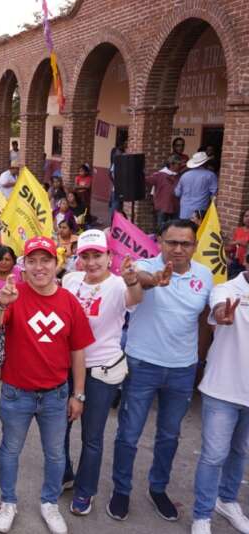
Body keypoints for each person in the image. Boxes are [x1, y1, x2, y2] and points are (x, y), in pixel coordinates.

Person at [0, 236, 94, 534]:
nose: (39, 267)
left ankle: (49, 503)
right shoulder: (13, 293)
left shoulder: (69, 301)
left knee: (56, 453)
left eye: (45, 260)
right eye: (31, 261)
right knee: (9, 450)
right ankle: (8, 502)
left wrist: (79, 394)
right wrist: (1, 303)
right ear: (24, 265)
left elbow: (78, 351)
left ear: (56, 263)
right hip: (16, 392)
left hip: (55, 395)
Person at [108, 219, 213, 523]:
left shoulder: (205, 276)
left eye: (185, 243)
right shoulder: (144, 266)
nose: (178, 249)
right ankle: (121, 490)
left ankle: (158, 488)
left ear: (194, 246)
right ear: (160, 242)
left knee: (169, 436)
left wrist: (199, 360)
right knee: (128, 434)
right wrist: (155, 279)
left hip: (182, 370)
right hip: (142, 365)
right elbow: (138, 279)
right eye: (172, 243)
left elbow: (205, 320)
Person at [60, 230, 143, 516]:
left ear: (110, 256)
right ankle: (66, 474)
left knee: (91, 436)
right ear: (78, 258)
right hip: (66, 367)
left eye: (98, 255)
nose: (92, 262)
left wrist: (133, 280)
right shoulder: (70, 280)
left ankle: (85, 491)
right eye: (86, 256)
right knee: (59, 428)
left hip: (101, 370)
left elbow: (134, 299)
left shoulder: (120, 285)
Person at [190, 260, 249, 534]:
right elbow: (217, 309)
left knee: (241, 452)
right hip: (222, 391)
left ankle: (226, 500)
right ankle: (202, 516)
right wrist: (221, 312)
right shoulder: (226, 289)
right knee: (213, 457)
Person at [174, 152, 218, 220]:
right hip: (200, 212)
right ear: (205, 163)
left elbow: (177, 193)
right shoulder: (210, 175)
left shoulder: (184, 175)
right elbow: (215, 194)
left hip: (184, 211)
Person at [146, 154, 185, 230]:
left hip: (175, 206)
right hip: (162, 207)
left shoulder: (179, 175)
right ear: (171, 164)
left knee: (174, 228)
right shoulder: (159, 175)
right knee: (161, 228)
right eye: (178, 164)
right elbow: (147, 180)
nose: (180, 166)